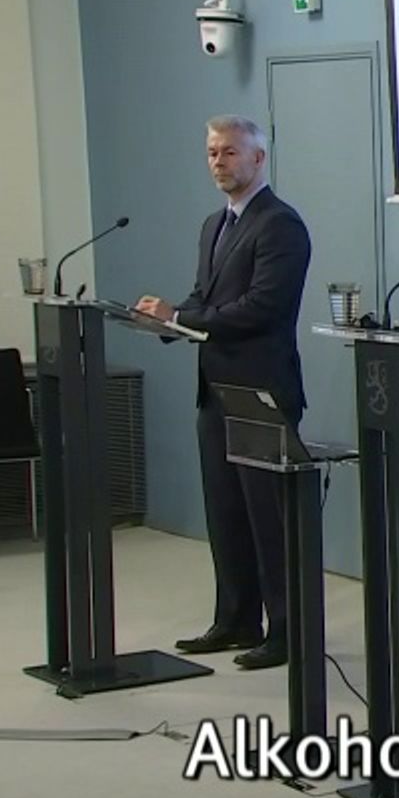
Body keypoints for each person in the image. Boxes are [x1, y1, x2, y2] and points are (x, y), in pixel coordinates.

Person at [137, 114, 312, 671]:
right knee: (226, 511)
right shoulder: (215, 223)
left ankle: (288, 631)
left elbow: (262, 307)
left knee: (269, 518)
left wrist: (183, 317)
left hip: (261, 392)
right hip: (215, 390)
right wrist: (167, 321)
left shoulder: (280, 224)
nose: (219, 162)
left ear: (258, 158)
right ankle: (236, 619)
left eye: (230, 152)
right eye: (213, 152)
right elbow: (203, 297)